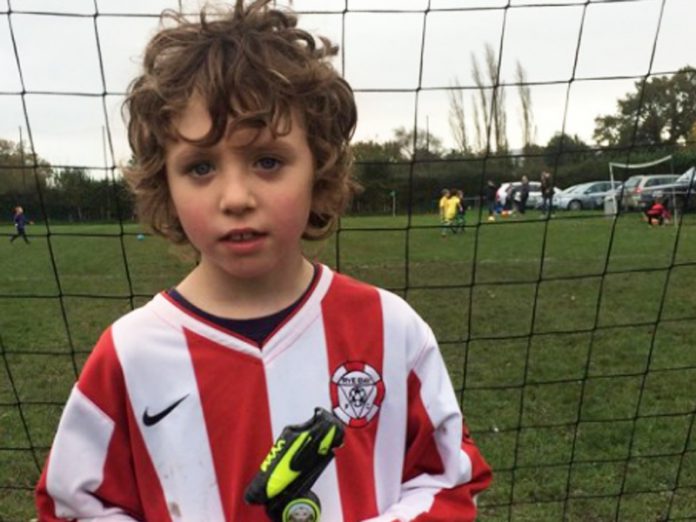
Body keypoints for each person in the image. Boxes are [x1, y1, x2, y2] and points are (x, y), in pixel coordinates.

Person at [35, 2, 492, 521]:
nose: (235, 197)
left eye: (268, 161)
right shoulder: (129, 354)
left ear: (319, 167)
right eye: (200, 167)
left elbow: (449, 480)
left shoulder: (392, 330)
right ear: (165, 183)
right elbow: (75, 507)